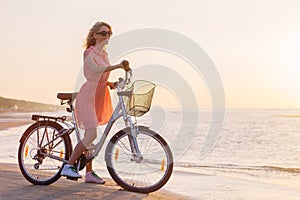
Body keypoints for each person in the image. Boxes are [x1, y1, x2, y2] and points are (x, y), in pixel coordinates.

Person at [61, 21, 130, 184]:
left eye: (109, 33)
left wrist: (110, 83)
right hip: (88, 96)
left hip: (99, 96)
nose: (108, 36)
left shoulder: (104, 55)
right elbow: (95, 70)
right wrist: (117, 66)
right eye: (104, 33)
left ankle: (89, 173)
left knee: (90, 137)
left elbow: (100, 77)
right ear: (95, 35)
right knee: (92, 134)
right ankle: (69, 165)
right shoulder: (89, 53)